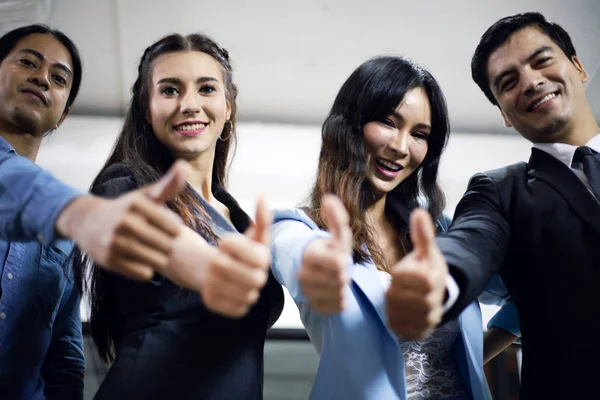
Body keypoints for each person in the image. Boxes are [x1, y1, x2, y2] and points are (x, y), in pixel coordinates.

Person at [270, 56, 515, 400]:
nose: (400, 147)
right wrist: (321, 266)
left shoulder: (437, 232)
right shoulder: (297, 228)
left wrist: (474, 357)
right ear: (350, 124)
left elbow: (527, 291)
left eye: (419, 134)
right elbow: (297, 256)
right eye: (388, 122)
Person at [385, 12, 600, 399]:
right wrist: (439, 277)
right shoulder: (499, 191)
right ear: (503, 112)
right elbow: (470, 241)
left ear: (579, 67)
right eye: (509, 82)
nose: (532, 82)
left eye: (542, 60)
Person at [76, 32, 284, 399]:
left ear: (228, 106)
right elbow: (131, 224)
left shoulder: (242, 224)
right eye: (170, 90)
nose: (189, 104)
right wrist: (200, 263)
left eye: (206, 89)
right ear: (146, 108)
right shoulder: (125, 186)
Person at [0, 23, 85, 399]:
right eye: (28, 62)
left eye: (59, 78)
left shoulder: (68, 233)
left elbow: (65, 356)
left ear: (63, 113)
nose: (42, 78)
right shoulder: (72, 210)